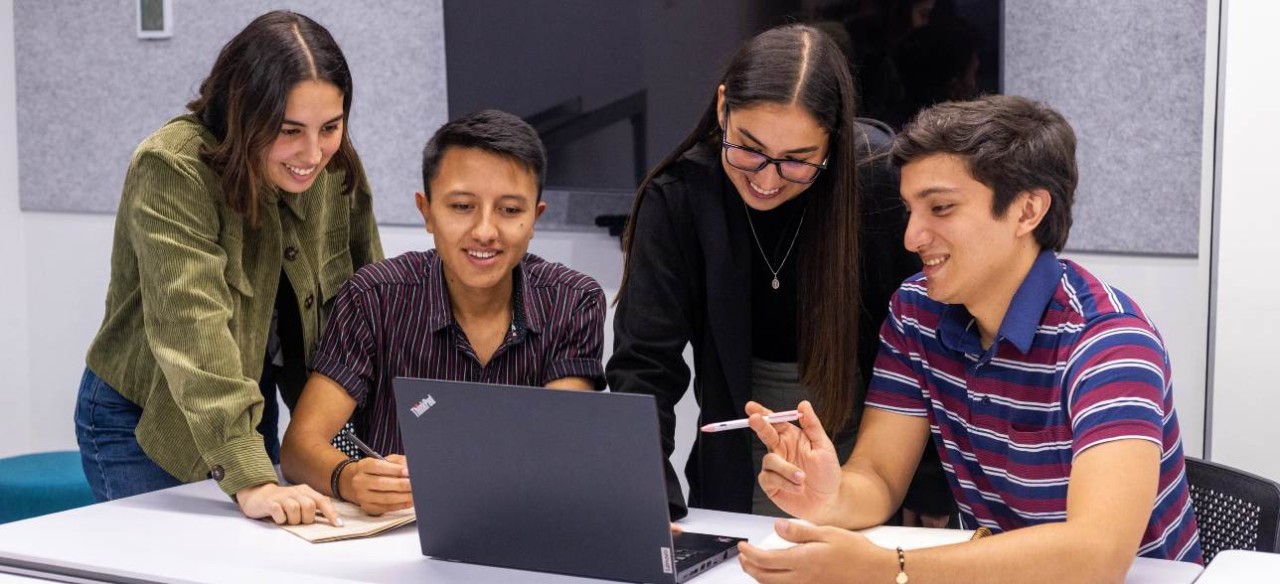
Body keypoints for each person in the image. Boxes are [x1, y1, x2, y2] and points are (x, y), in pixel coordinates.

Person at [738, 95, 1202, 584]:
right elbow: (878, 474)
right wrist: (830, 496)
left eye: (940, 208)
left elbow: (1096, 554)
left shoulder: (1110, 342)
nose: (912, 236)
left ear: (1027, 211)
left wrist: (889, 569)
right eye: (910, 210)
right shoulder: (916, 312)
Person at [607, 23, 952, 522]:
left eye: (797, 160)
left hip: (871, 463)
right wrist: (647, 504)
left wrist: (926, 485)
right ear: (723, 107)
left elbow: (928, 342)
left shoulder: (876, 182)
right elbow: (644, 365)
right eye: (747, 147)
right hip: (733, 468)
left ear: (832, 140)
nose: (766, 179)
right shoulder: (680, 196)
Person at [75, 11, 382, 526]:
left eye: (330, 127)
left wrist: (379, 442)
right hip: (149, 423)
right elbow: (191, 330)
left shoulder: (333, 164)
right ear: (245, 114)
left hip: (246, 409)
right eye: (289, 131)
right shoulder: (172, 167)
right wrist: (253, 479)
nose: (313, 153)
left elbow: (369, 305)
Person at [279, 109, 606, 516]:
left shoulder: (572, 302)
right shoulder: (373, 298)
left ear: (535, 218)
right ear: (427, 211)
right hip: (392, 547)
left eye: (509, 210)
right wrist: (349, 478)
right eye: (462, 206)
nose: (485, 231)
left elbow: (561, 445)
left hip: (522, 531)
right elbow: (298, 447)